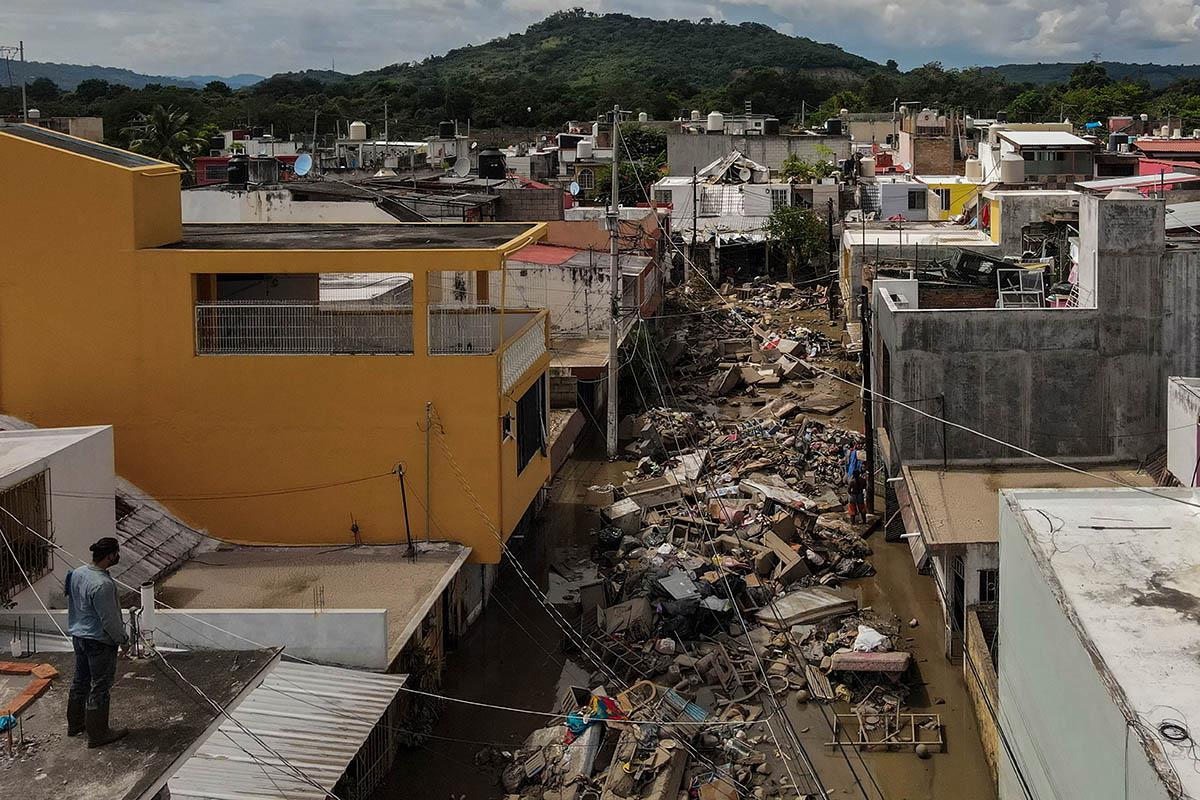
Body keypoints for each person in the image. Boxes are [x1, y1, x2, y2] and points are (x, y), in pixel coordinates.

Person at [66, 536, 128, 748]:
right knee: (100, 687)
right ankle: (98, 734)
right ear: (110, 555)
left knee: (80, 681)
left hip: (79, 637)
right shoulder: (103, 585)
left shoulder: (77, 573)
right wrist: (123, 640)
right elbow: (110, 620)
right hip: (98, 642)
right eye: (116, 553)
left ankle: (75, 725)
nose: (117, 557)